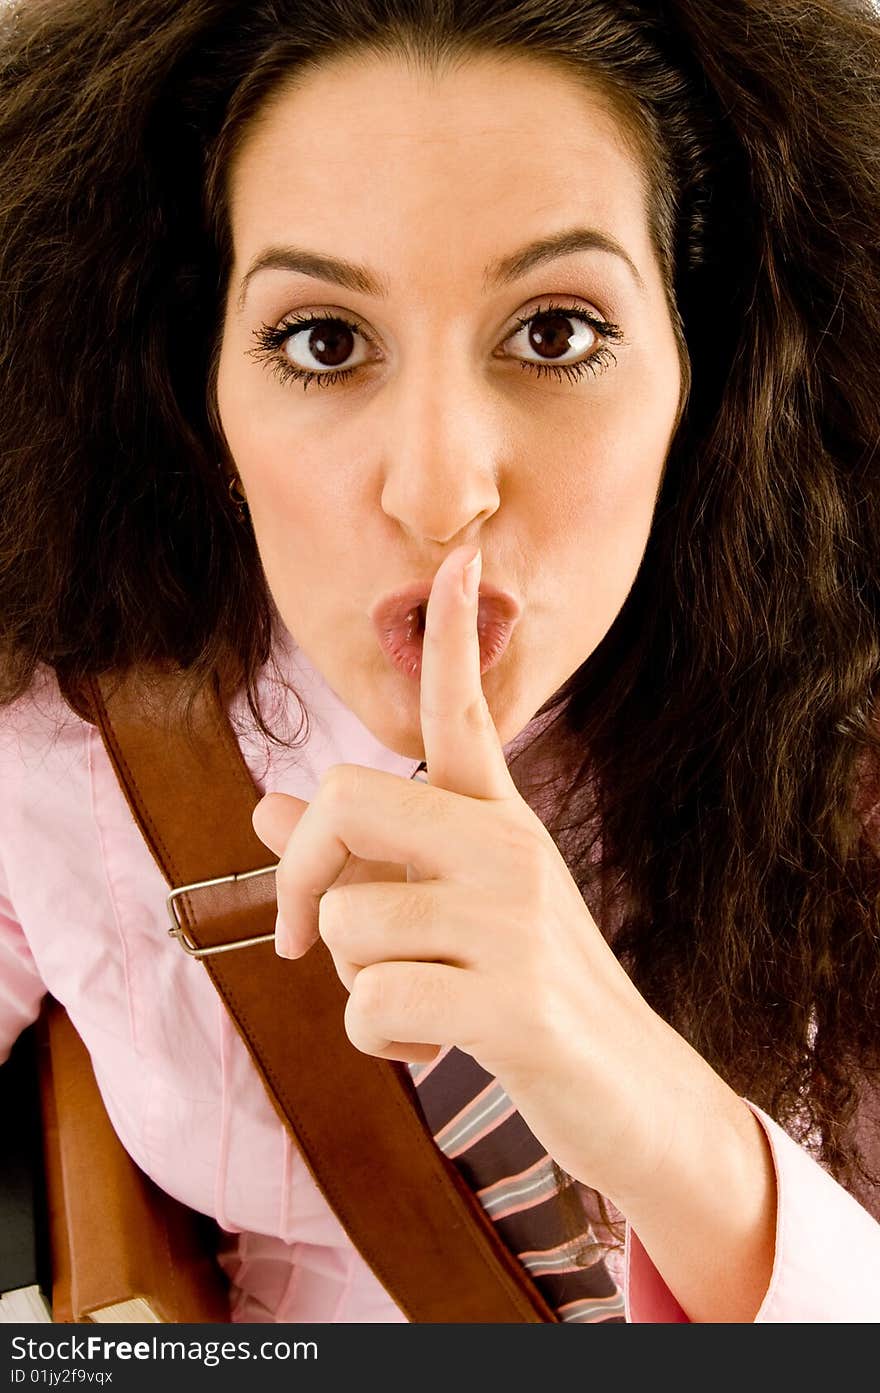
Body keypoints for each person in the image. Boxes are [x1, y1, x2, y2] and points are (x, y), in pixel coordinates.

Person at [1, 0, 879, 1324]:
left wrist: (649, 1099)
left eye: (556, 333)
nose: (437, 489)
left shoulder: (850, 745)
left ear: (711, 372)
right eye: (321, 341)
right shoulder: (62, 750)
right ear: (200, 393)